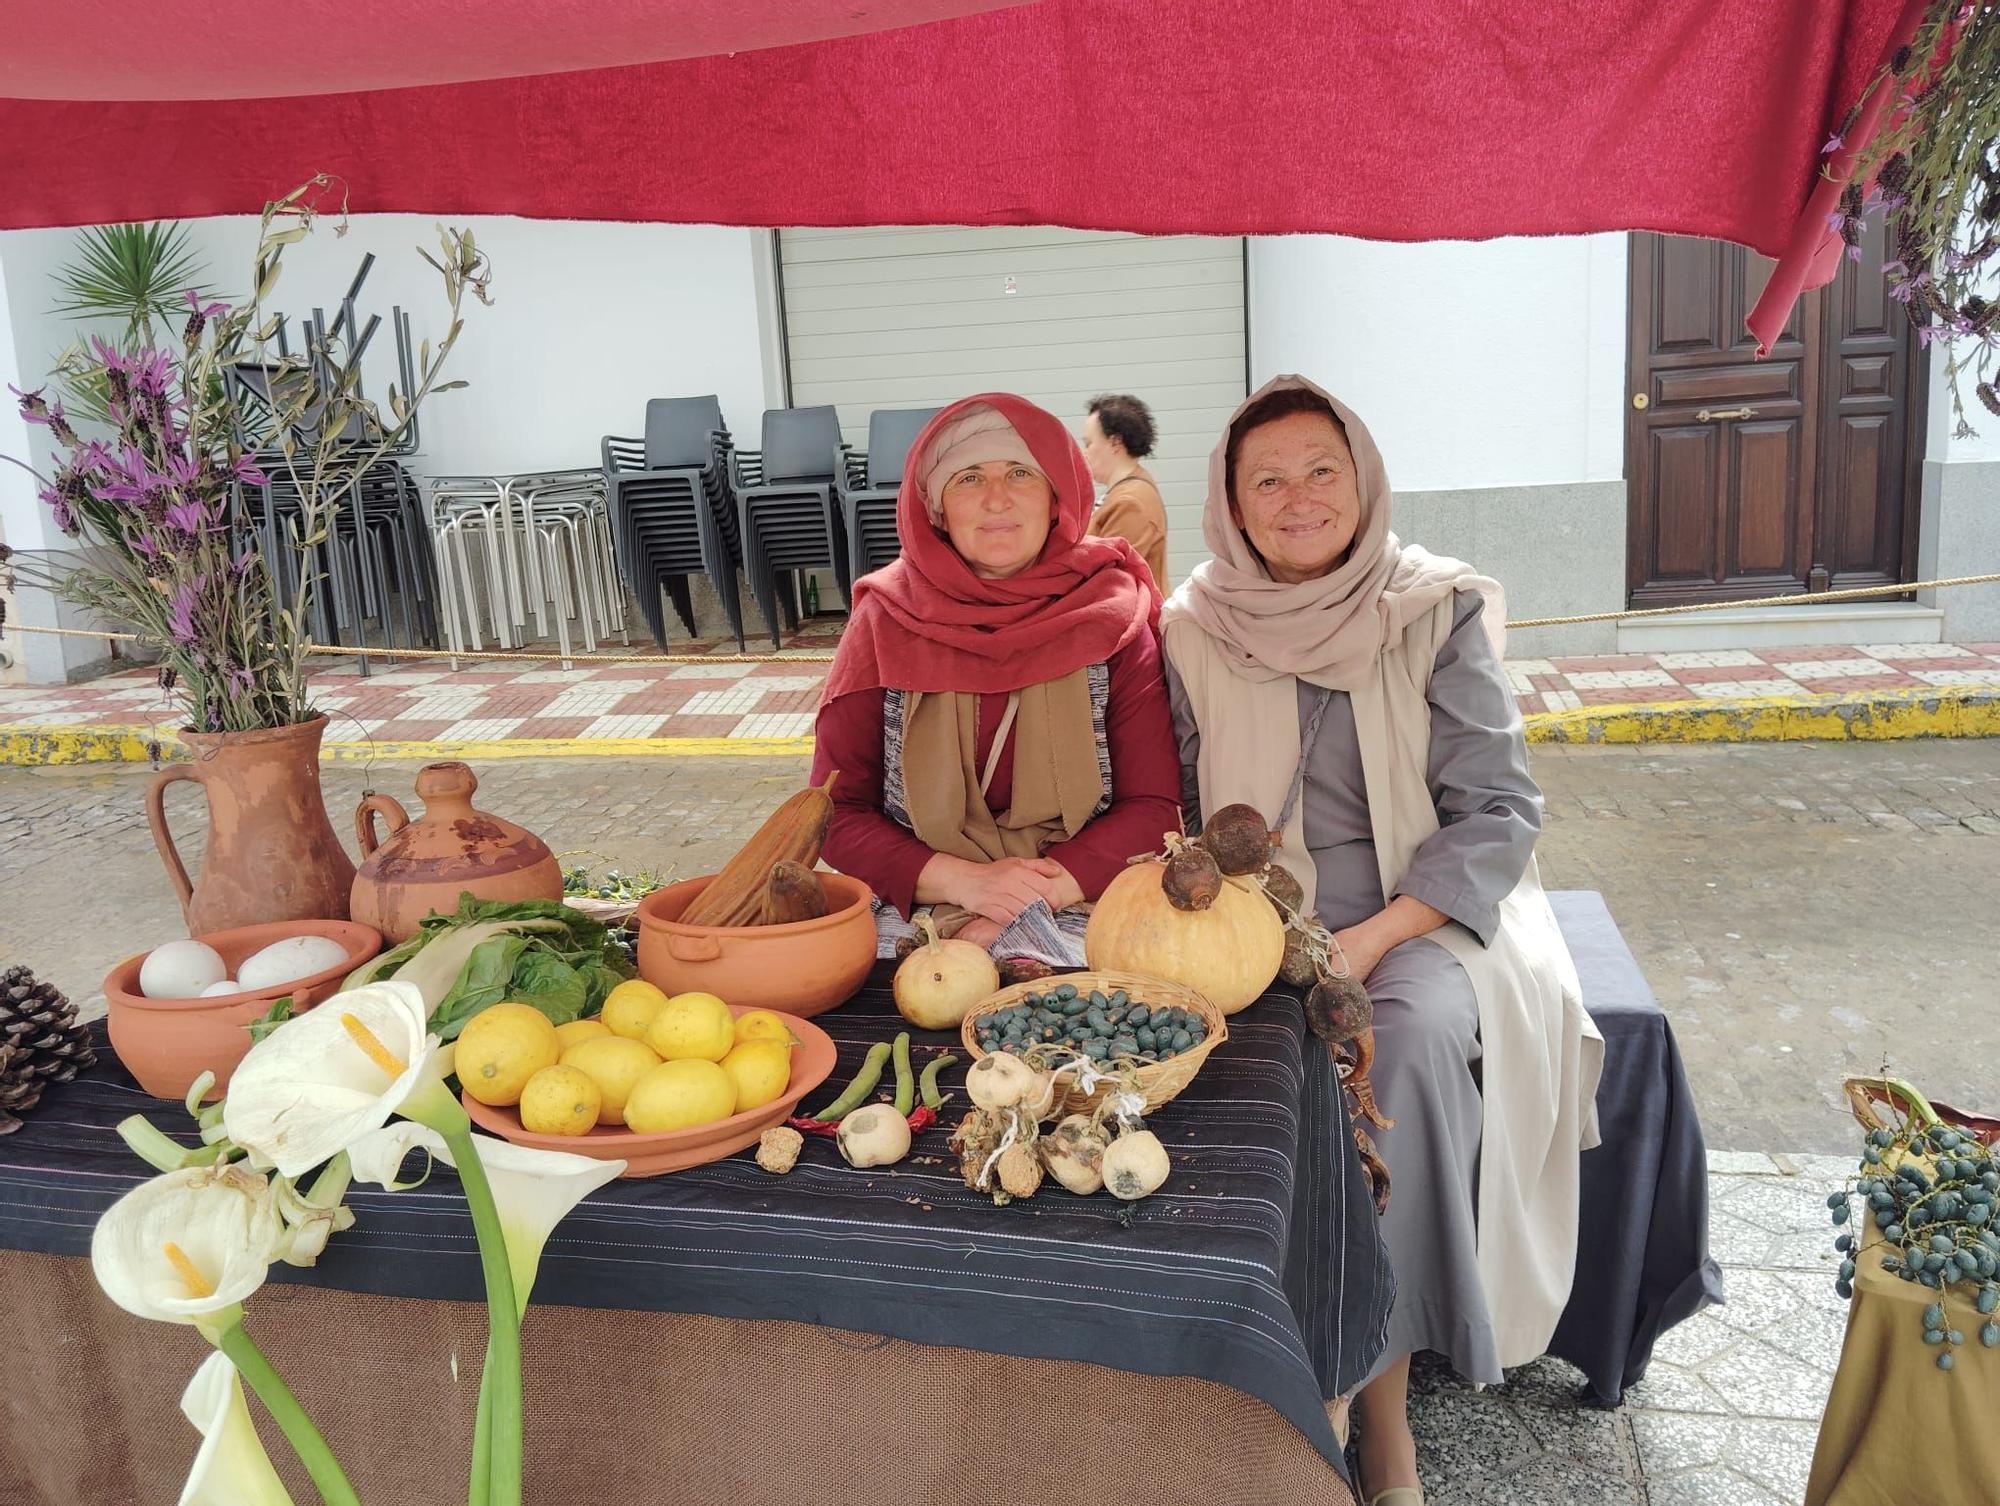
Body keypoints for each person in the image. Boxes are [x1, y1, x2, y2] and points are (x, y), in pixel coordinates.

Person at [1159, 375, 1602, 1506]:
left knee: (1387, 1050)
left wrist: (1370, 941)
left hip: (1421, 923)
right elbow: (1171, 807)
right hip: (1256, 930)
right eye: (1266, 478)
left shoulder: (1431, 606)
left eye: (1322, 469)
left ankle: (1374, 1417)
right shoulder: (1191, 627)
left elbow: (1498, 812)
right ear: (1228, 500)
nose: (1296, 496)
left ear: (1361, 481)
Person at [812, 393, 1181, 949]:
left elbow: (1157, 806)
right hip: (918, 904)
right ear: (935, 508)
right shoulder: (884, 622)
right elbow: (835, 813)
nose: (996, 499)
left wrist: (1026, 896)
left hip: (1087, 897)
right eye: (967, 479)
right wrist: (967, 883)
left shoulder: (1113, 617)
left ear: (1058, 497)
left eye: (1020, 473)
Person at [1080, 393, 1169, 587]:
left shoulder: (1132, 501)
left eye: (1089, 444)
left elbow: (1105, 577)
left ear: (1115, 443)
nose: (1084, 453)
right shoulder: (1121, 493)